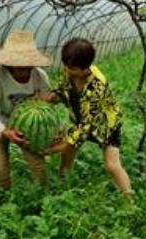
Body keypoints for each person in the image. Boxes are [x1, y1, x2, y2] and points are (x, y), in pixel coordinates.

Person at [40, 38, 132, 195]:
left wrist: (60, 145)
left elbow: (86, 126)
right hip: (81, 120)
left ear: (85, 68)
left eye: (72, 68)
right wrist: (53, 96)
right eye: (66, 65)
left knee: (112, 165)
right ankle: (63, 184)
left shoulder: (97, 86)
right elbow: (63, 88)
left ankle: (129, 200)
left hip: (106, 126)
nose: (67, 70)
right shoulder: (69, 70)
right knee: (67, 153)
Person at [0, 30, 52, 190]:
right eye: (18, 65)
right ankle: (5, 205)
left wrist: (51, 131)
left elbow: (46, 109)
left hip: (27, 127)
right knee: (0, 170)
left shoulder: (40, 76)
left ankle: (43, 201)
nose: (23, 69)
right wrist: (5, 132)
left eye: (27, 65)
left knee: (39, 167)